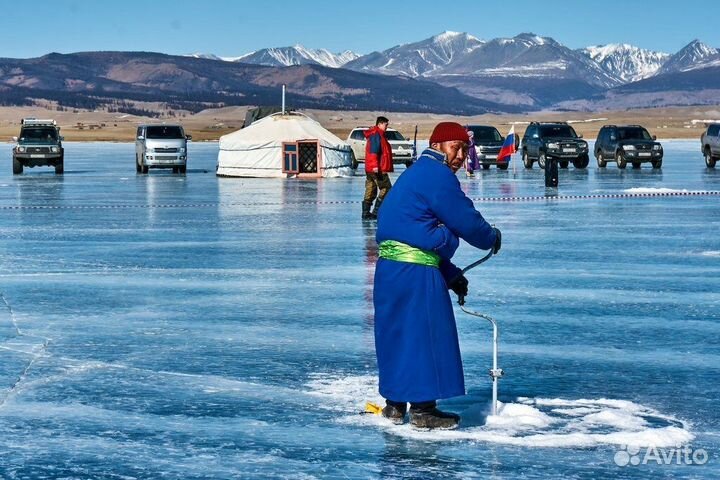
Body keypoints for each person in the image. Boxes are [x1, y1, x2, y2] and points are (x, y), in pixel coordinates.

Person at [373, 121, 502, 429]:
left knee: (398, 337)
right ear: (439, 146)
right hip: (414, 276)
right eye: (455, 148)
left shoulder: (415, 173)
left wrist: (450, 273)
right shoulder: (437, 175)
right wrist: (491, 237)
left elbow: (410, 237)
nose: (459, 156)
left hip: (391, 271)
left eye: (464, 149)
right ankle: (422, 409)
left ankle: (394, 405)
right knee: (424, 335)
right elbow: (465, 219)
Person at [362, 116, 393, 220]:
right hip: (377, 168)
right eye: (385, 124)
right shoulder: (376, 135)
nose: (387, 126)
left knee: (371, 189)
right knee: (386, 188)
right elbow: (373, 151)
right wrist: (375, 166)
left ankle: (366, 213)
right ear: (379, 124)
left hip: (370, 168)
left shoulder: (376, 134)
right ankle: (376, 212)